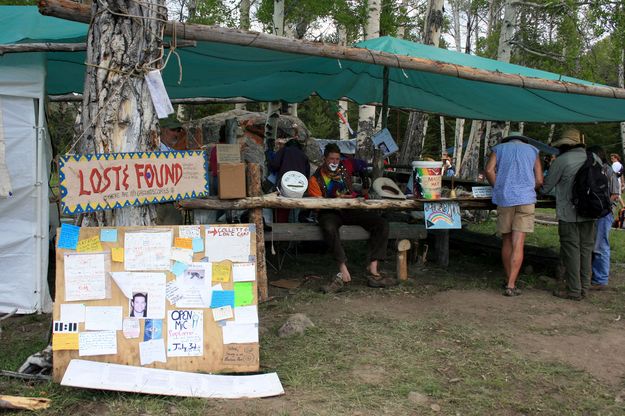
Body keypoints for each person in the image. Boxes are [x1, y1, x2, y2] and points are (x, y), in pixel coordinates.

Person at [308, 143, 396, 293]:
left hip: (348, 209)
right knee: (329, 227)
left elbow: (360, 168)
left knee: (380, 223)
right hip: (328, 212)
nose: (335, 162)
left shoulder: (344, 169)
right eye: (331, 159)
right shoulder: (315, 179)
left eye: (337, 159)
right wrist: (335, 201)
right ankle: (342, 267)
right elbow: (317, 205)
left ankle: (373, 267)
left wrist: (356, 192)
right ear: (324, 158)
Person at [542, 128, 598, 301]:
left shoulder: (562, 160)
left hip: (569, 213)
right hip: (591, 211)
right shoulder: (594, 158)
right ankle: (585, 287)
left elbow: (546, 187)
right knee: (586, 249)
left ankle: (574, 290)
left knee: (571, 250)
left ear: (564, 145)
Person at [485, 132, 543, 296]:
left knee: (507, 240)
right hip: (526, 199)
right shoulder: (533, 150)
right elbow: (539, 180)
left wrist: (499, 187)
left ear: (508, 140)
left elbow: (489, 170)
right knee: (519, 242)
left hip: (505, 198)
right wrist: (529, 189)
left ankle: (507, 278)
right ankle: (511, 284)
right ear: (523, 141)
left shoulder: (499, 148)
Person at [588, 146, 621, 290]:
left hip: (604, 212)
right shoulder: (593, 169)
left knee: (601, 245)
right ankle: (595, 276)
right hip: (595, 212)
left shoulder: (608, 171)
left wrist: (602, 206)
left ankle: (600, 278)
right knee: (594, 243)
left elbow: (615, 194)